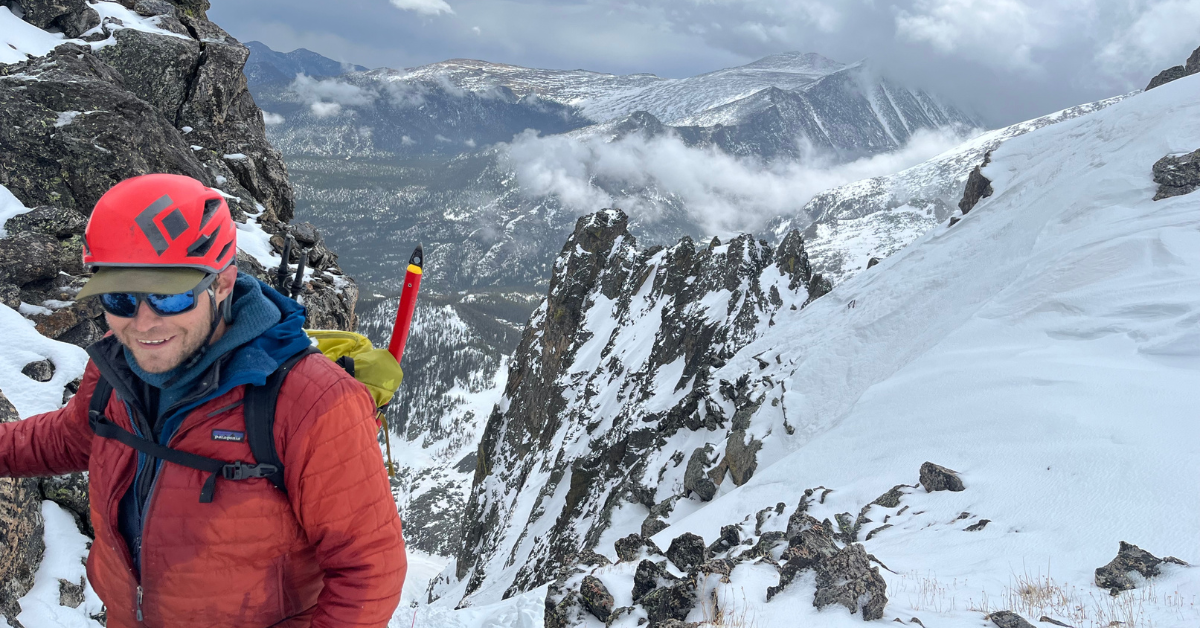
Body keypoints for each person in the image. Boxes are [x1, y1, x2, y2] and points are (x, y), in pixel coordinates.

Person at [0, 174, 406, 627]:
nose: (143, 323)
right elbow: (69, 438)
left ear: (223, 284)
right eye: (120, 298)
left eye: (170, 298)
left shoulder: (312, 402)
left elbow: (368, 570)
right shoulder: (118, 369)